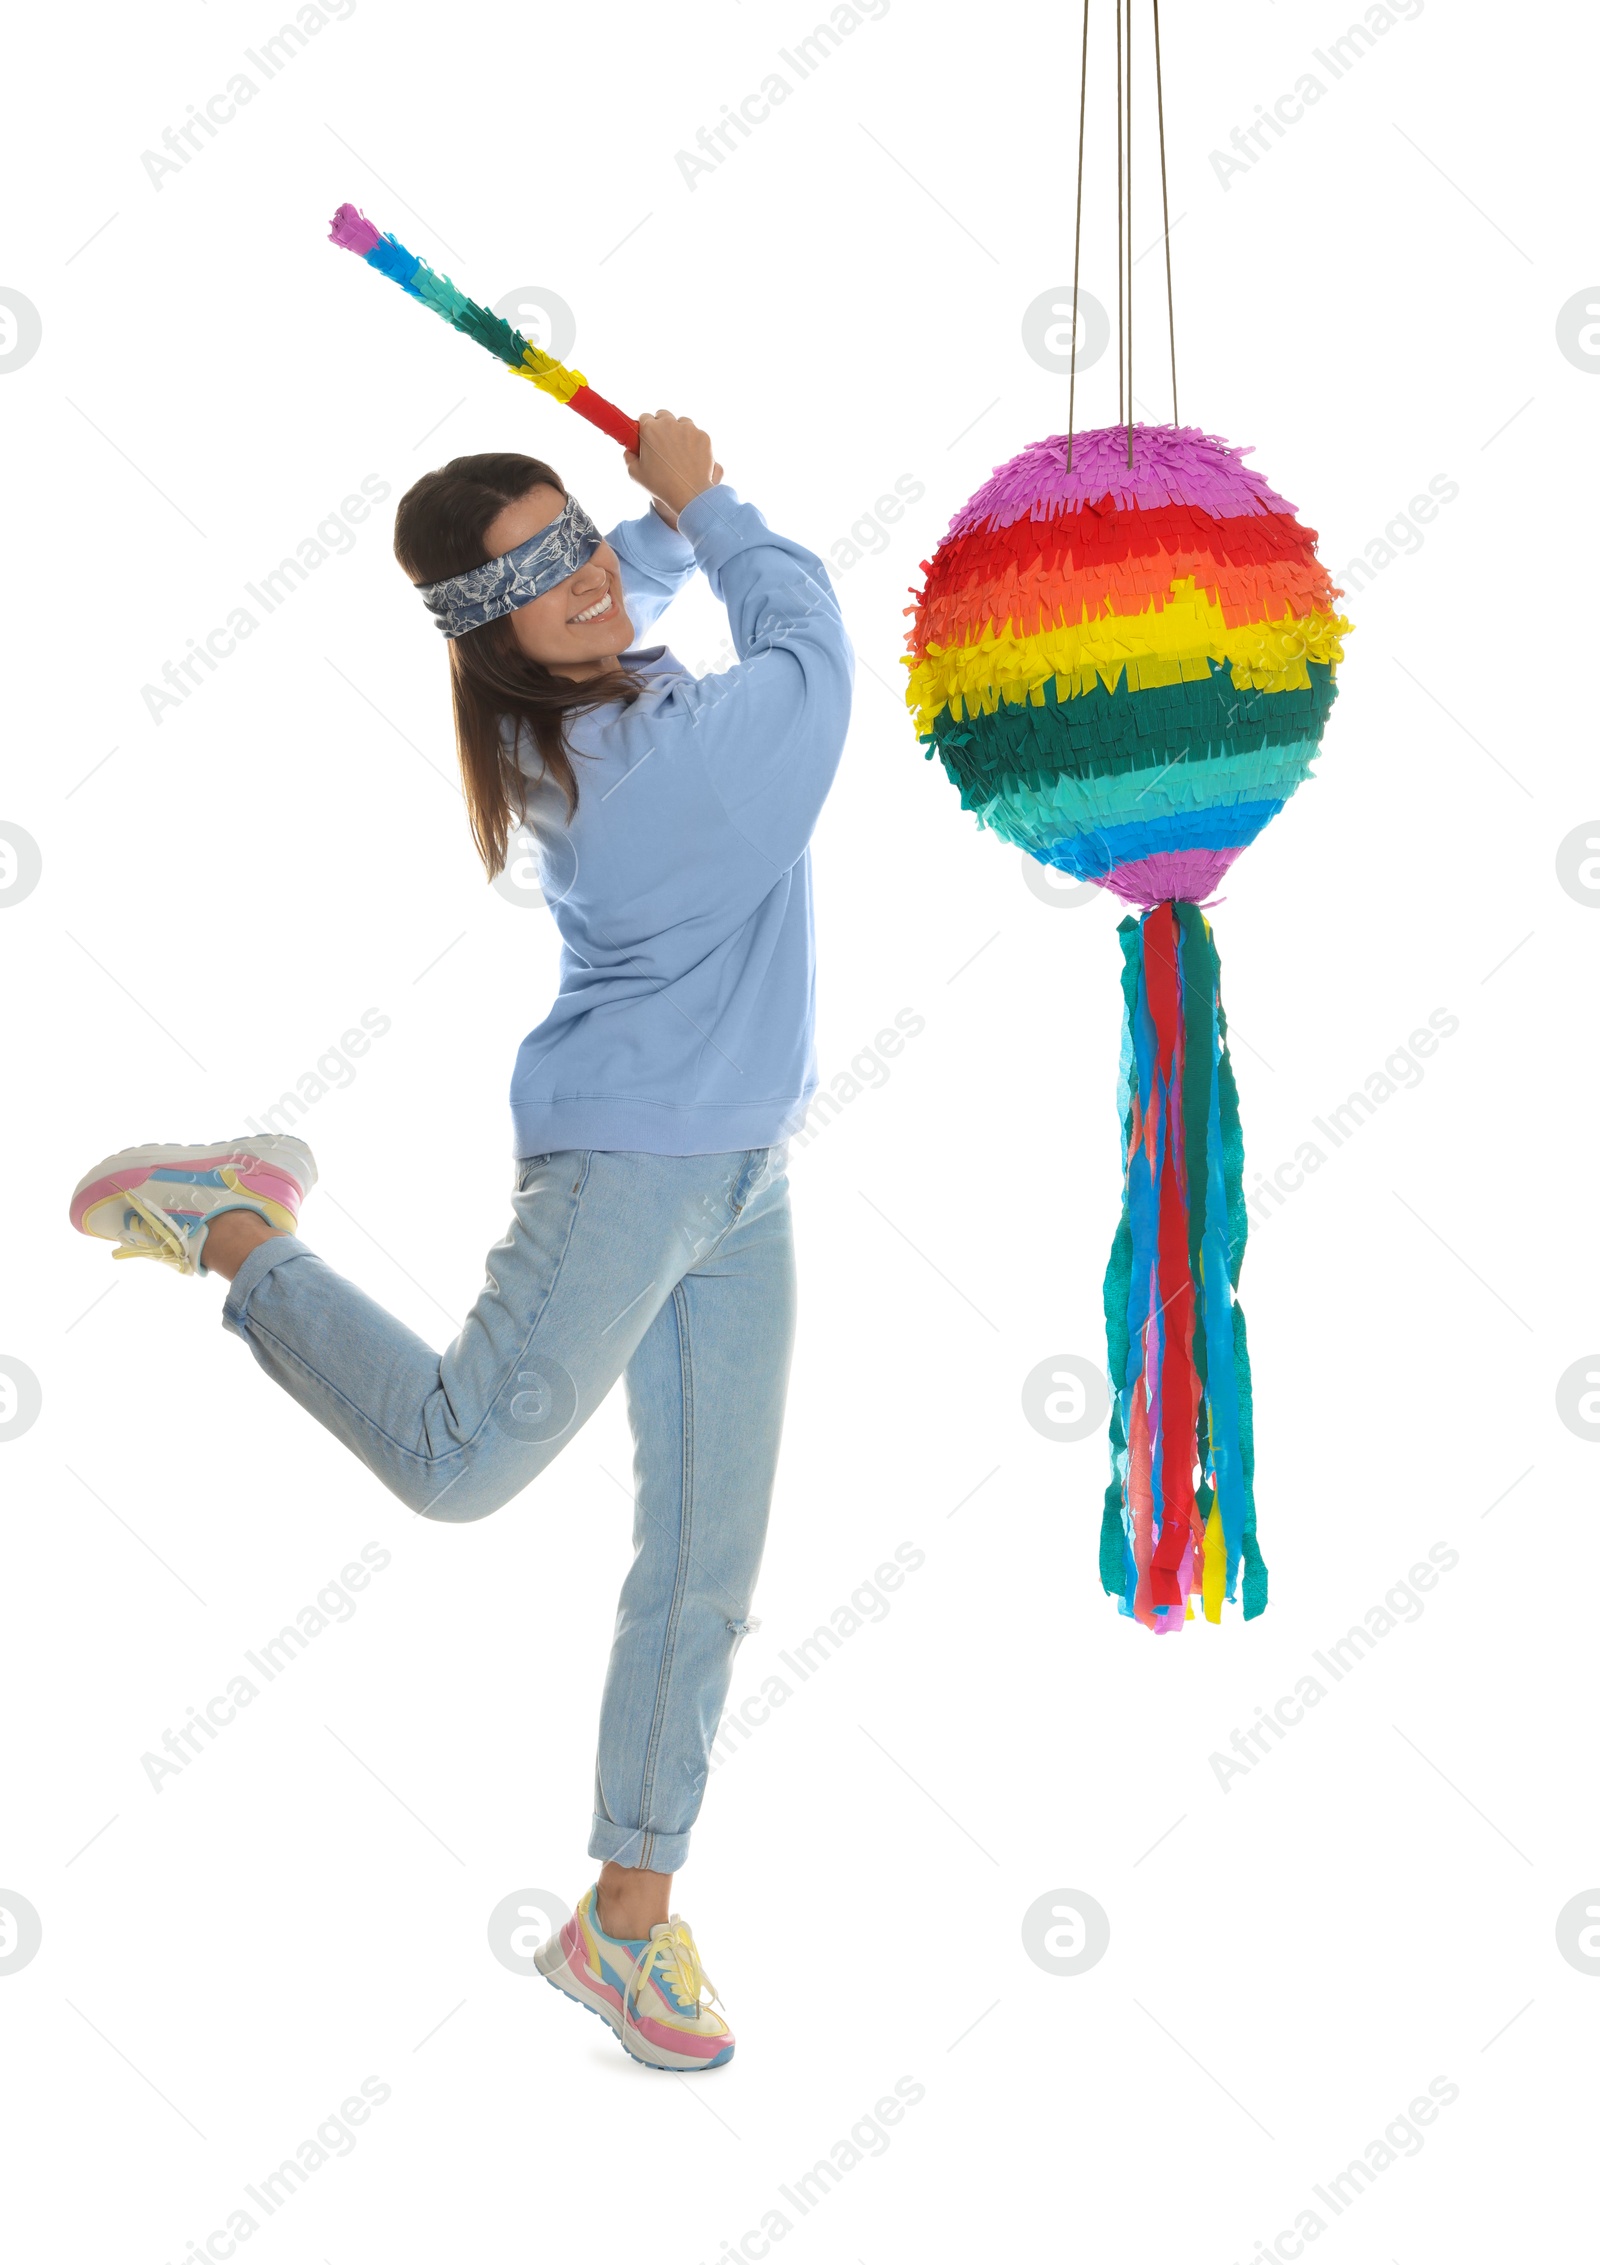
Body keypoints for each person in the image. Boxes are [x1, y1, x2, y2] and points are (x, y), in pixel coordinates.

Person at [68, 413, 853, 2071]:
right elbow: (815, 651)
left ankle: (624, 1928)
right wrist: (705, 503)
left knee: (706, 1564)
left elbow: (600, 605)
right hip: (635, 1169)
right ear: (482, 627)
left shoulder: (555, 702)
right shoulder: (667, 766)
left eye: (578, 539)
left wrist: (621, 542)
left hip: (740, 1175)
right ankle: (232, 1232)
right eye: (535, 571)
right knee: (454, 1462)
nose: (581, 577)